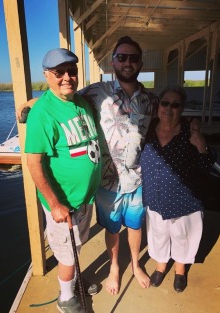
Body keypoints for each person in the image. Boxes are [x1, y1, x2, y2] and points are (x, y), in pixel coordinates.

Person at [17, 36, 159, 295]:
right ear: (113, 61)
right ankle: (115, 267)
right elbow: (63, 95)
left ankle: (136, 265)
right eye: (122, 57)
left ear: (140, 62)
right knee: (113, 229)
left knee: (136, 226)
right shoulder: (97, 92)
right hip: (108, 181)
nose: (128, 62)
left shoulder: (151, 99)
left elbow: (159, 129)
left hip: (137, 179)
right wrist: (31, 102)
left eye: (133, 58)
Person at [24, 48, 101, 313]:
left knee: (77, 244)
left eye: (72, 71)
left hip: (84, 197)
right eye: (59, 73)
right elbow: (33, 162)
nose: (67, 77)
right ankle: (66, 297)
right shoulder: (43, 112)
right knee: (67, 253)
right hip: (63, 203)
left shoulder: (80, 100)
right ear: (47, 75)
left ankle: (76, 279)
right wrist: (55, 204)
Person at [140, 86, 216, 292]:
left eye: (175, 105)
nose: (169, 108)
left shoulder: (189, 131)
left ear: (182, 109)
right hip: (154, 197)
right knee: (158, 233)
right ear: (158, 106)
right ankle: (161, 265)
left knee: (182, 236)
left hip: (184, 200)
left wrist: (201, 145)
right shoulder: (147, 128)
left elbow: (208, 163)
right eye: (165, 103)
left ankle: (180, 270)